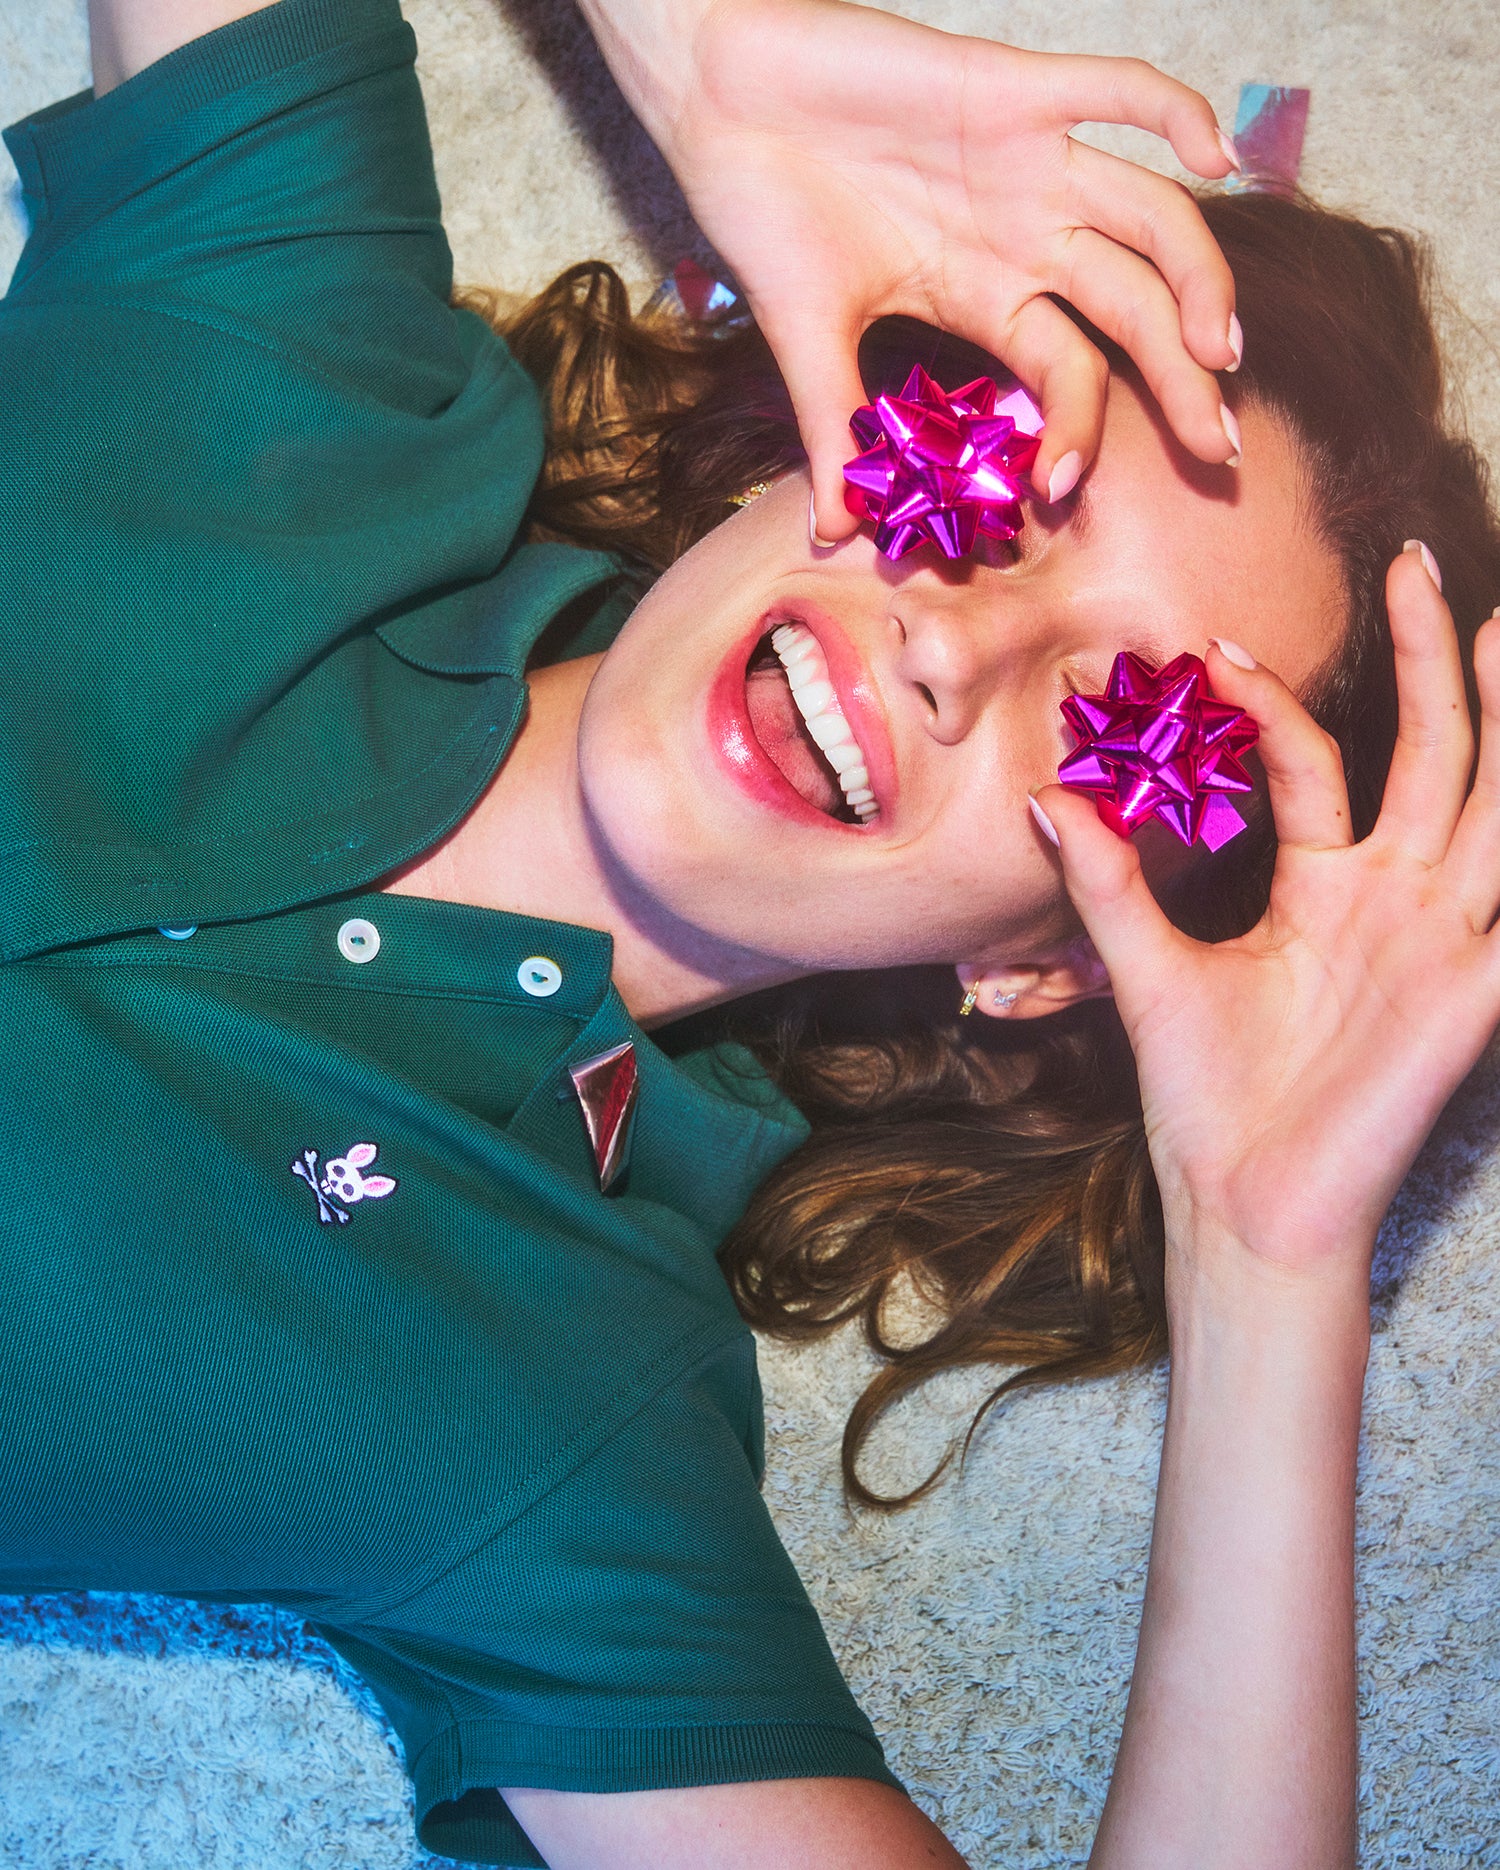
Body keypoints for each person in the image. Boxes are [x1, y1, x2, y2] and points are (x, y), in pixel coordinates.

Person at [1, 0, 1496, 1867]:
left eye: (1121, 734)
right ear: (816, 426)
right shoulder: (311, 351)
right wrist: (685, 46)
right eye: (998, 478)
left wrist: (1271, 1261)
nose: (957, 642)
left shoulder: (553, 1400)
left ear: (1048, 963)